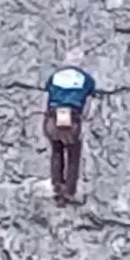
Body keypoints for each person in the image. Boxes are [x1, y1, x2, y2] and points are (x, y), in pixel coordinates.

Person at [43, 61, 97, 205]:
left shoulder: (55, 76)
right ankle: (69, 191)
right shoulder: (86, 79)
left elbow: (46, 99)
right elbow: (89, 103)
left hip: (54, 117)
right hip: (73, 118)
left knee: (56, 151)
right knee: (73, 156)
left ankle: (57, 186)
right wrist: (84, 121)